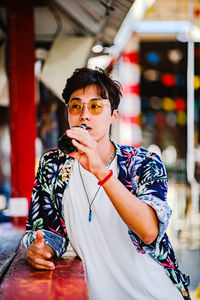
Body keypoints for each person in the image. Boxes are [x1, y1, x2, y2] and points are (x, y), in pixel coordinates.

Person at [22, 67, 190, 300]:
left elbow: (149, 231)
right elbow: (48, 234)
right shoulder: (53, 166)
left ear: (113, 115)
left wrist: (99, 169)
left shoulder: (143, 162)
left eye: (95, 106)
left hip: (155, 293)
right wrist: (41, 251)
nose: (84, 115)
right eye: (76, 105)